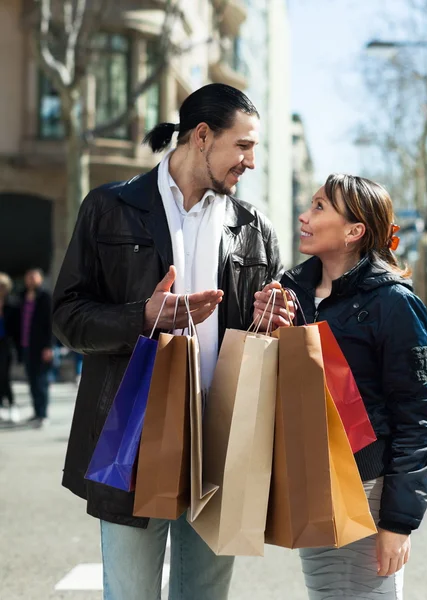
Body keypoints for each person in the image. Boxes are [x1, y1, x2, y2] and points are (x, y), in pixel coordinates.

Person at [52, 83, 282, 600]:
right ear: (202, 136)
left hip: (220, 444)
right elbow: (67, 318)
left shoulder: (255, 229)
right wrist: (143, 316)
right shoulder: (109, 208)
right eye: (243, 146)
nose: (249, 162)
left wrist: (274, 321)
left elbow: (263, 339)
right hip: (131, 437)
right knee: (130, 593)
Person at [254, 174, 427, 600]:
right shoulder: (291, 291)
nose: (304, 216)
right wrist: (269, 327)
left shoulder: (394, 302)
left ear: (355, 231)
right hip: (310, 477)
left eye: (320, 208)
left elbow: (418, 419)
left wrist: (398, 523)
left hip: (365, 485)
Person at [17, 268, 54, 427]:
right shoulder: (22, 297)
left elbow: (52, 325)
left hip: (41, 347)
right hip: (26, 346)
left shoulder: (45, 298)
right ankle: (36, 412)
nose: (30, 280)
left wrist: (49, 347)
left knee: (41, 381)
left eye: (33, 277)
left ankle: (43, 414)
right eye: (28, 277)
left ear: (40, 279)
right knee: (31, 381)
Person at [0, 272, 18, 421]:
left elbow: (15, 328)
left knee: (5, 376)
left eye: (2, 286)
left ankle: (12, 404)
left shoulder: (12, 304)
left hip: (6, 344)